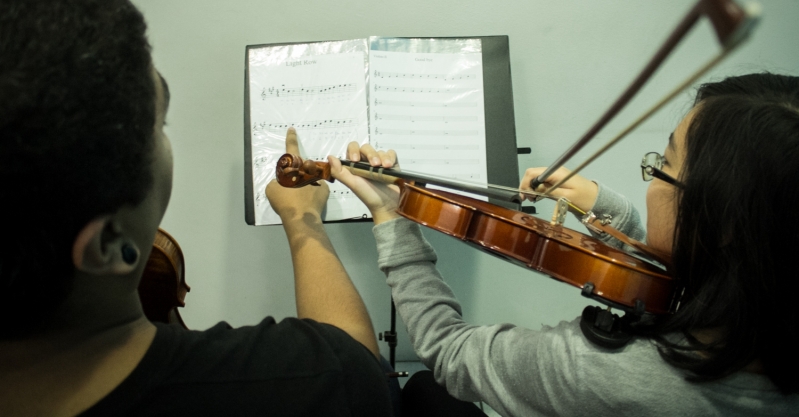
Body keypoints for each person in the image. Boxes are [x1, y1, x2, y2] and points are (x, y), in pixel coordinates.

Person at [0, 0, 391, 417]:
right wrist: (302, 220)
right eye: (158, 125)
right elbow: (357, 370)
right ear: (107, 244)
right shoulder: (291, 386)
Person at [291, 72, 799, 415]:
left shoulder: (604, 372)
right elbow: (675, 269)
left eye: (663, 167)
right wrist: (607, 210)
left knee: (428, 394)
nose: (652, 178)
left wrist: (390, 215)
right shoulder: (761, 298)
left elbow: (449, 351)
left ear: (725, 221)